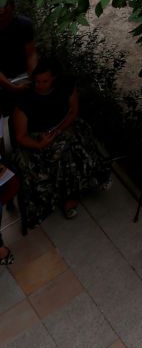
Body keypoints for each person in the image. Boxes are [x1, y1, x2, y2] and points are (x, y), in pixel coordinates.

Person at [9, 59, 111, 231]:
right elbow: (21, 136)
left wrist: (59, 129)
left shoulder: (65, 86)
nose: (39, 85)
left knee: (72, 142)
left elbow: (73, 111)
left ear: (54, 79)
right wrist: (39, 144)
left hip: (62, 126)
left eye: (44, 81)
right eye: (37, 81)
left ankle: (78, 189)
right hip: (37, 137)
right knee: (60, 151)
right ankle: (67, 197)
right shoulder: (26, 101)